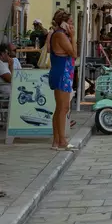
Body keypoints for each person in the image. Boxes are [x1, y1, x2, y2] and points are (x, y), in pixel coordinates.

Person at [48, 9, 77, 150]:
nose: (72, 25)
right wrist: (73, 36)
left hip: (63, 73)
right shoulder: (60, 35)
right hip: (62, 74)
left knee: (60, 108)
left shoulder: (59, 34)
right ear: (63, 23)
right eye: (70, 22)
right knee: (63, 108)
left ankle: (56, 141)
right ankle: (62, 141)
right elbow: (73, 53)